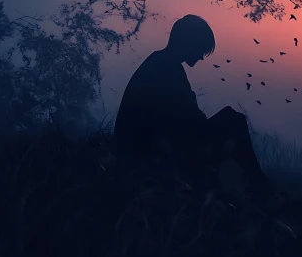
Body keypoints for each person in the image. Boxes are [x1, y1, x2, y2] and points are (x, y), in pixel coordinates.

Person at [113, 14, 272, 199]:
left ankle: (248, 185)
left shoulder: (160, 63)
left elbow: (185, 116)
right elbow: (188, 120)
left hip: (148, 142)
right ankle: (259, 186)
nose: (201, 57)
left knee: (228, 125)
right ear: (189, 43)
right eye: (201, 50)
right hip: (150, 148)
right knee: (234, 120)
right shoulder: (168, 69)